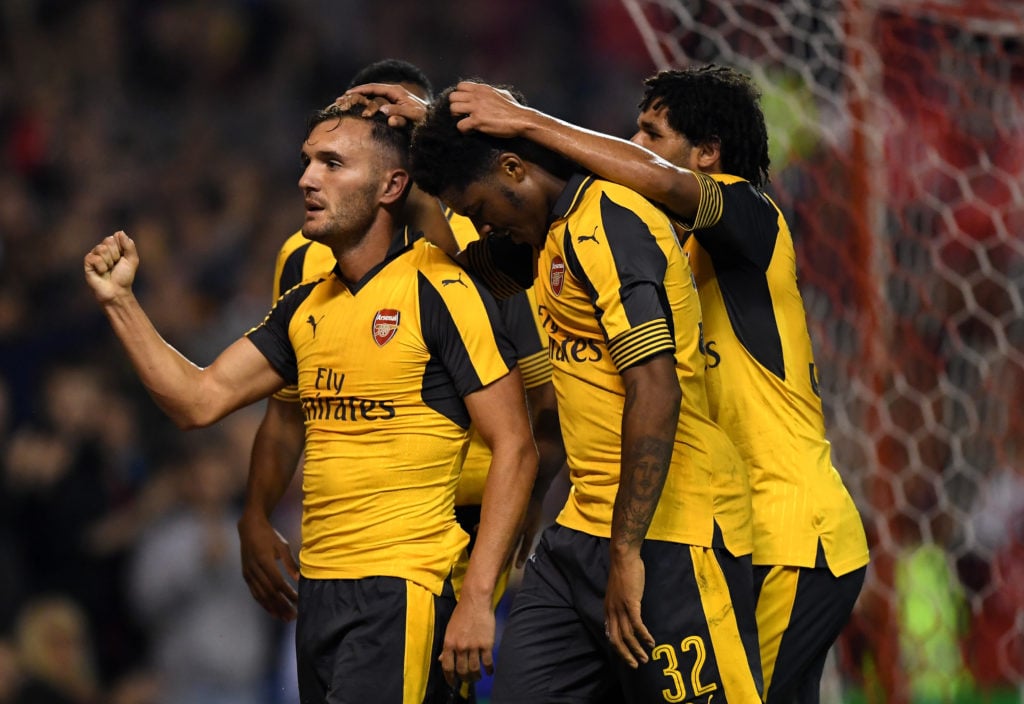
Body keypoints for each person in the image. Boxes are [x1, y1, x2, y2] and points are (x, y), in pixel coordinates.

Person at [443, 65, 871, 703]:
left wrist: (528, 122)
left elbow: (667, 184)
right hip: (721, 530)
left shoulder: (754, 218)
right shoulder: (631, 236)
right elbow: (489, 261)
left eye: (651, 132)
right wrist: (431, 134)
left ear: (708, 155)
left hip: (791, 532)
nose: (632, 146)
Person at [83, 103, 538, 703]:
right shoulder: (302, 306)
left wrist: (479, 597)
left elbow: (518, 445)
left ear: (391, 186)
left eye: (332, 163)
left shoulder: (441, 288)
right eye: (306, 163)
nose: (307, 179)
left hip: (401, 590)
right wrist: (121, 303)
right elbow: (197, 400)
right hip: (319, 593)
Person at [406, 82, 761, 703]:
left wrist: (627, 552)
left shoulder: (610, 220)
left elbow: (656, 388)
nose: (484, 225)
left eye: (483, 209)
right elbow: (457, 282)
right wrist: (407, 142)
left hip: (670, 536)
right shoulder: (542, 241)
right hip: (577, 537)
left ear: (514, 168)